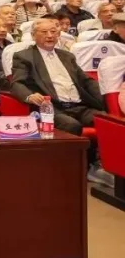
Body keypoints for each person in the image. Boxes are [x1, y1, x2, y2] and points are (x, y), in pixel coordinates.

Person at [10, 18, 108, 181]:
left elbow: (86, 81)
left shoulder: (67, 56)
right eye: (44, 32)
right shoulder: (24, 56)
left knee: (106, 121)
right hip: (51, 106)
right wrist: (29, 96)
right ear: (33, 36)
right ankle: (69, 169)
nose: (50, 35)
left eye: (53, 32)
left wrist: (105, 98)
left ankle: (96, 164)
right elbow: (16, 83)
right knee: (71, 125)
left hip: (79, 105)